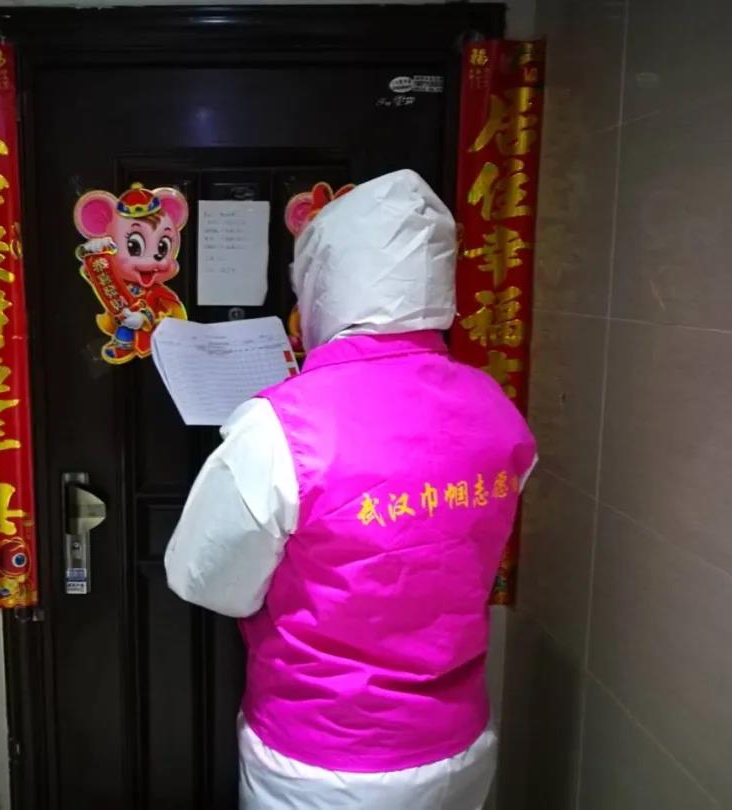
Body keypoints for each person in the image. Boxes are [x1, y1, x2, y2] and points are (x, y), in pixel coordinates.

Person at [164, 170, 537, 809]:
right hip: (458, 744)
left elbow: (205, 578)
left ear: (322, 283)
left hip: (322, 755)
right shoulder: (496, 409)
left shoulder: (283, 426)